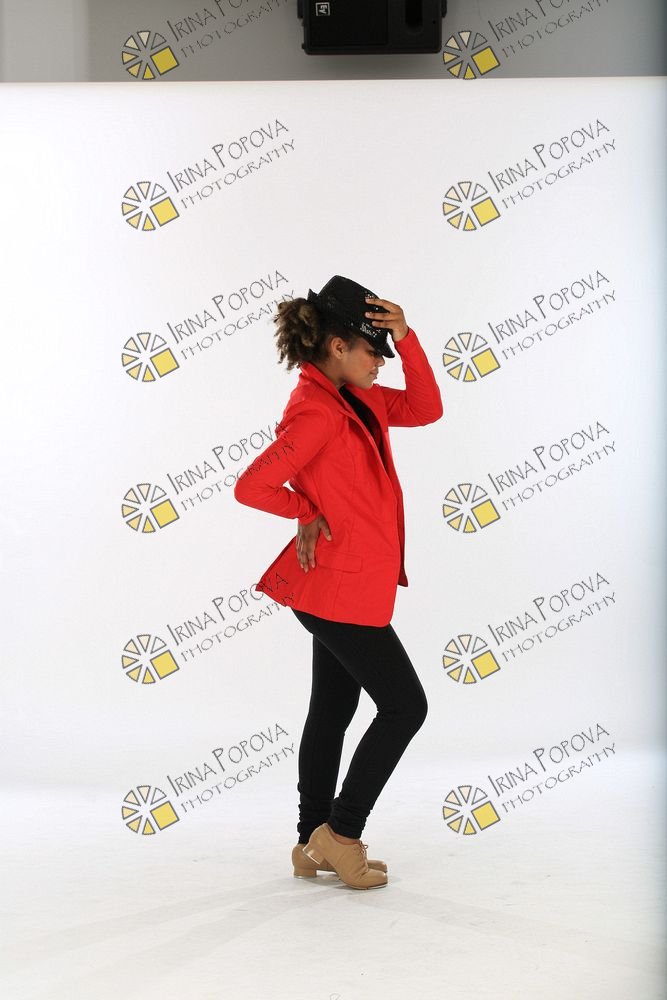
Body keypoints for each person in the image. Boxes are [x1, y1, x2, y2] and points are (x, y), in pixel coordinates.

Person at [233, 275, 443, 889]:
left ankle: (310, 843)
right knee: (405, 706)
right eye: (373, 348)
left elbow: (426, 409)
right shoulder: (317, 411)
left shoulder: (360, 399)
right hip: (335, 588)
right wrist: (306, 510)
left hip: (346, 585)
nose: (381, 360)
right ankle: (341, 833)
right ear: (336, 346)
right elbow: (252, 486)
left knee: (333, 708)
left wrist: (409, 337)